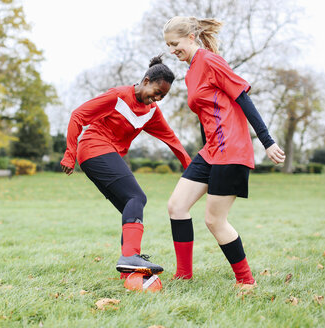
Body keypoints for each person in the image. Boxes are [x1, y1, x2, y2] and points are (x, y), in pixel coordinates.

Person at [162, 16, 285, 287]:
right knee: (177, 206)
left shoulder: (210, 61)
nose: (172, 50)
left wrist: (267, 141)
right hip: (211, 151)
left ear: (191, 37)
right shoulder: (191, 70)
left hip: (231, 149)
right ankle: (184, 275)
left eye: (175, 44)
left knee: (214, 220)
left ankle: (246, 281)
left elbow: (243, 98)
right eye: (168, 46)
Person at [61, 55, 192, 278]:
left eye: (163, 96)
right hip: (94, 148)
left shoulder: (151, 112)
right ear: (147, 80)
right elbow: (78, 115)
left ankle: (129, 271)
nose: (157, 99)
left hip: (102, 155)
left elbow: (172, 139)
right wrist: (69, 153)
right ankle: (130, 257)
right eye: (157, 92)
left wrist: (192, 169)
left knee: (130, 208)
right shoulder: (118, 96)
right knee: (137, 198)